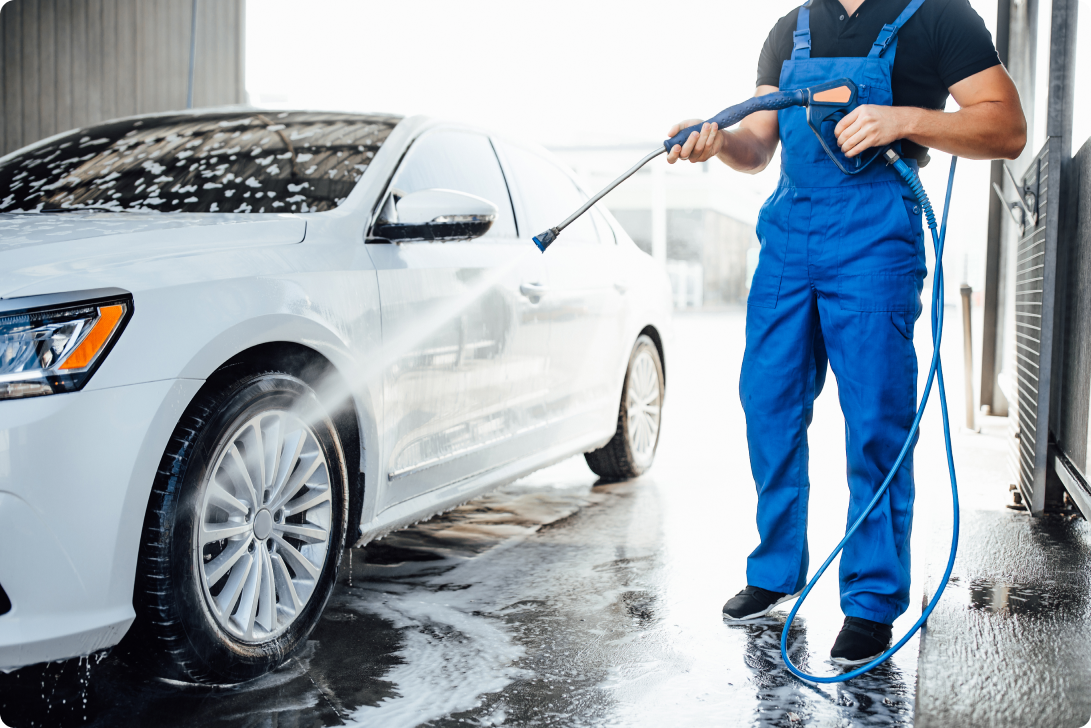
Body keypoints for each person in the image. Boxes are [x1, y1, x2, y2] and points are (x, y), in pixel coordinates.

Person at [666, 0, 1026, 665]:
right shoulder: (790, 28)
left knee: (874, 423)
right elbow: (756, 146)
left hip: (873, 239)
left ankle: (868, 600)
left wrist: (907, 119)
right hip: (786, 237)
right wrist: (716, 141)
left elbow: (1005, 128)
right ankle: (774, 570)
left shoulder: (939, 17)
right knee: (767, 407)